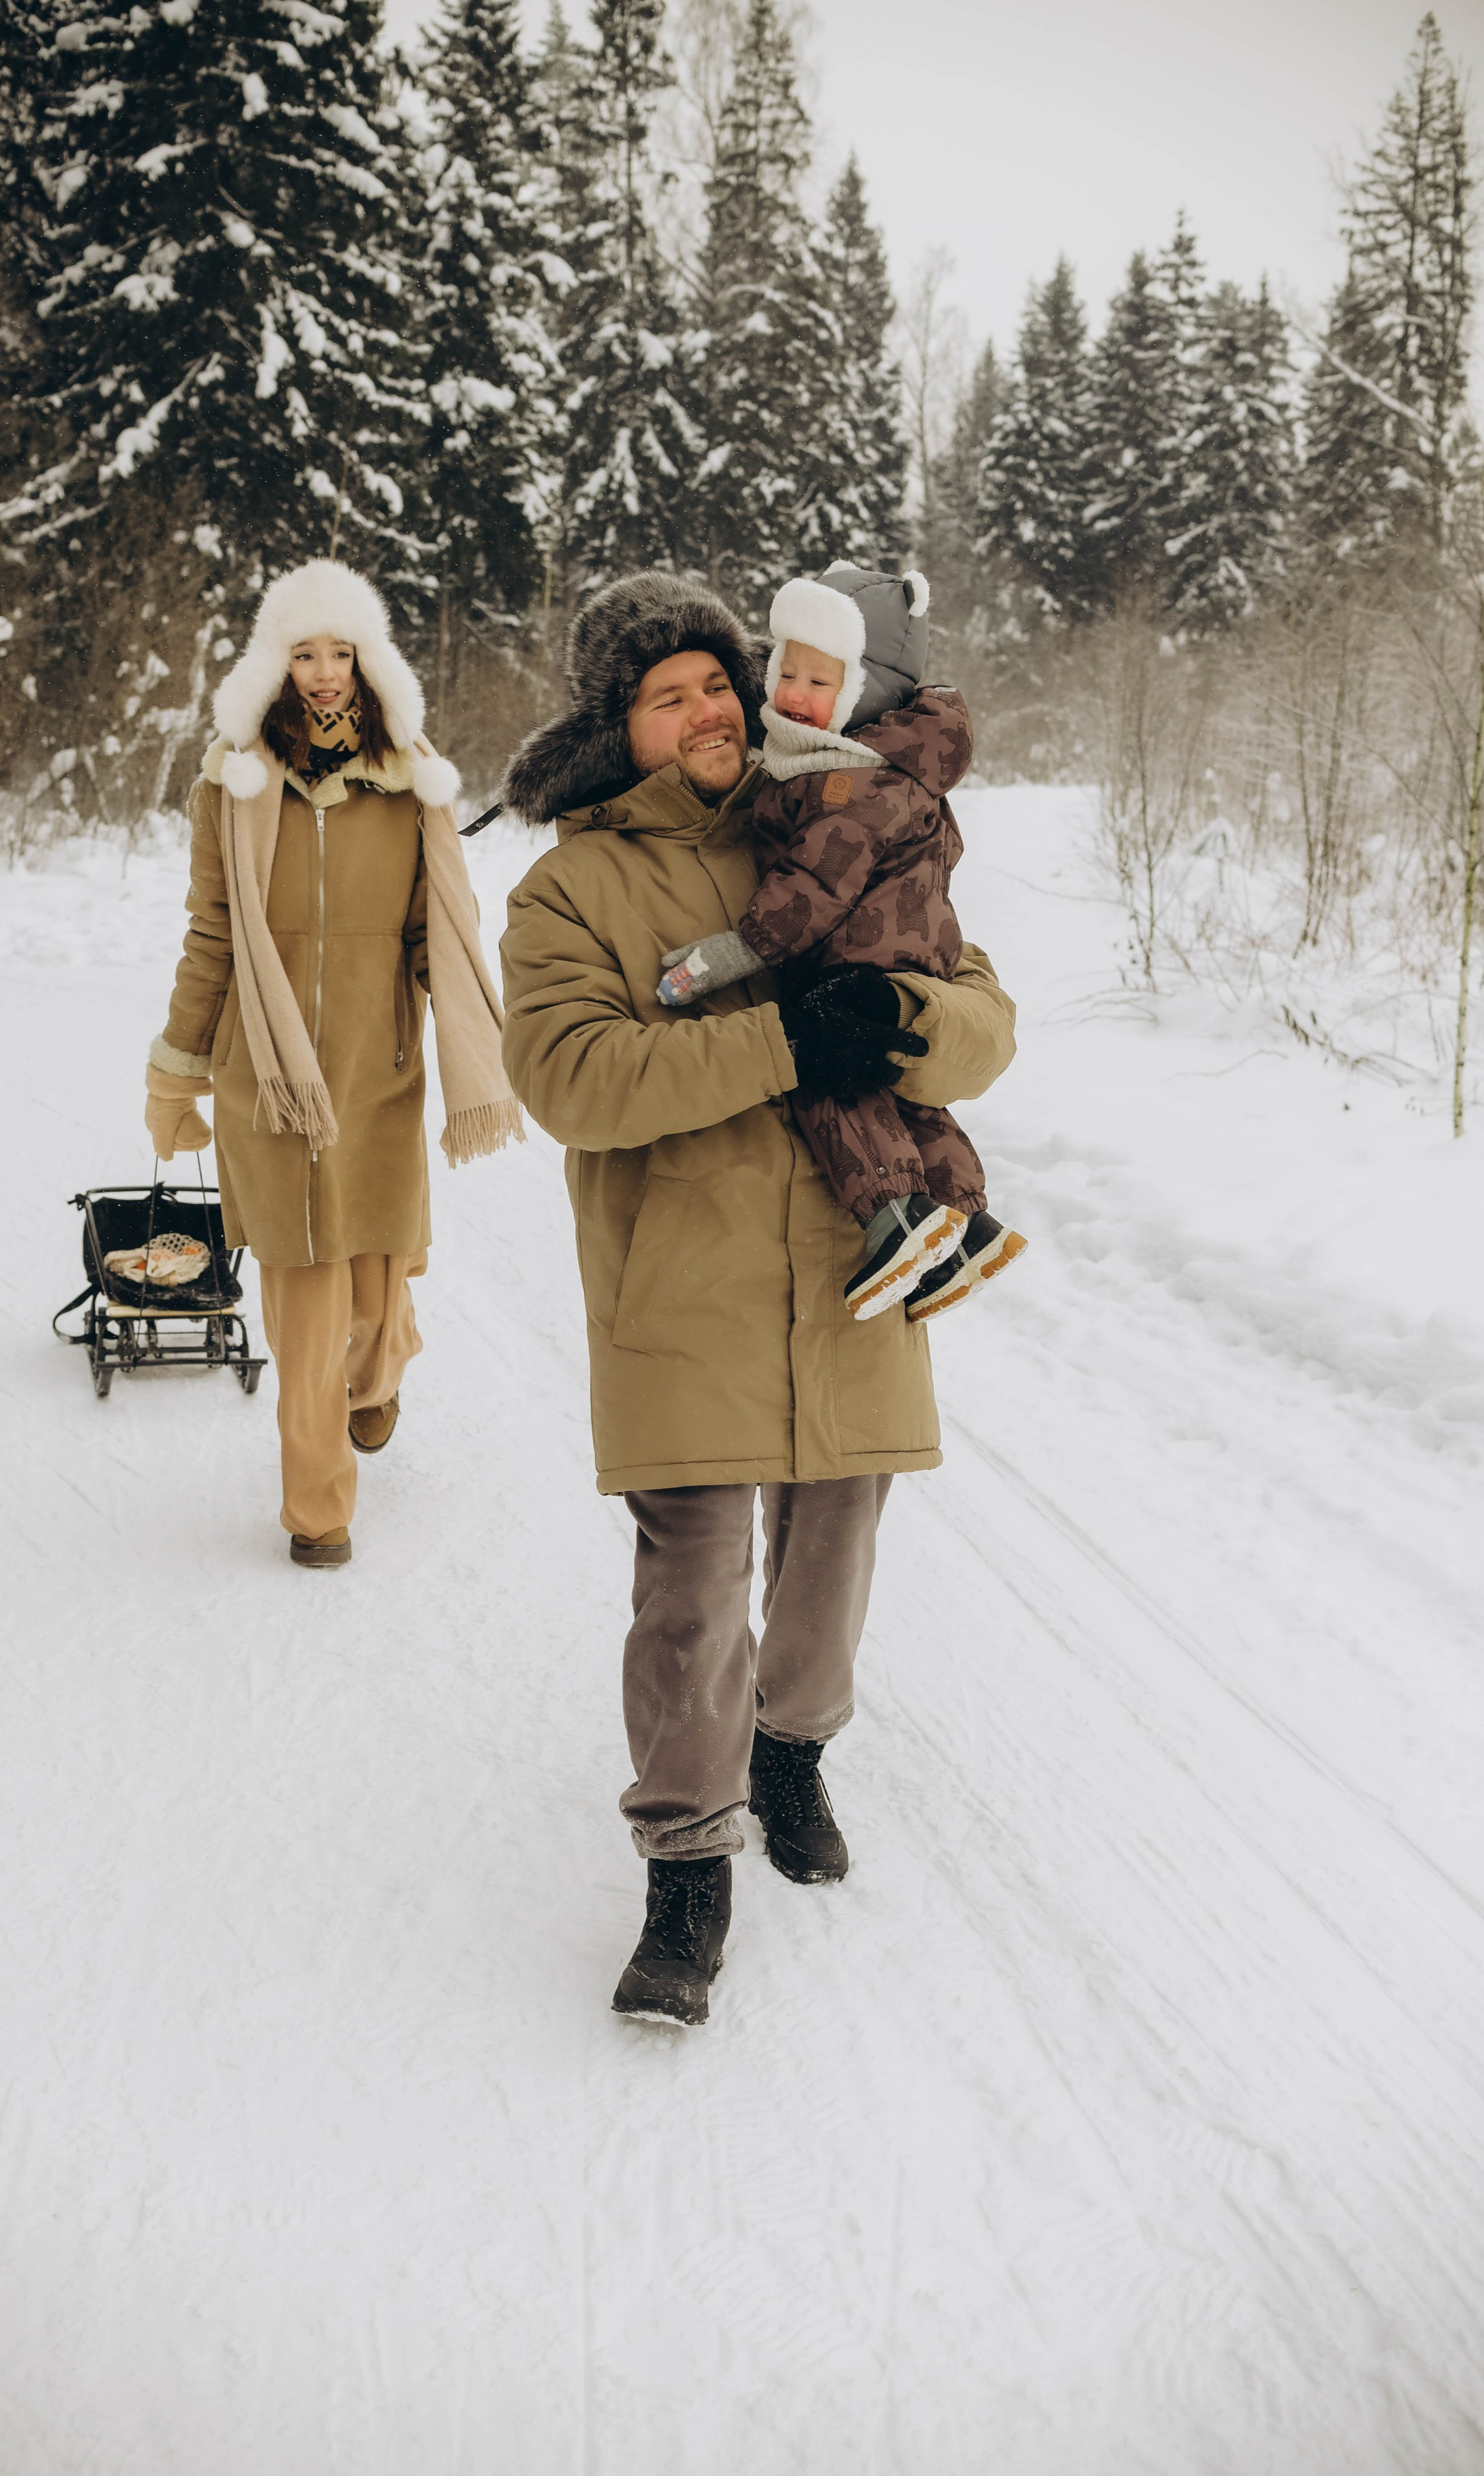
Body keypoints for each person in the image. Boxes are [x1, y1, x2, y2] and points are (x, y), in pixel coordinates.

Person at [497, 572, 1017, 2027]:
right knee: (692, 1577)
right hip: (683, 1277)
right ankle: (683, 1861)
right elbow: (575, 1080)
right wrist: (785, 1038)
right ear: (620, 728)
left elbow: (985, 1024)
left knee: (838, 1529)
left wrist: (903, 1019)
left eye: (717, 681)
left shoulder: (835, 817)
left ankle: (790, 1749)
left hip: (852, 1259)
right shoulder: (572, 889)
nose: (709, 710)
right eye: (668, 697)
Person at [144, 558, 520, 1566]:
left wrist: (476, 1036)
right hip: (264, 1079)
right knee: (304, 1313)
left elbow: (436, 931)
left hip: (377, 1072)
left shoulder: (409, 787)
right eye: (303, 652)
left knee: (374, 1304)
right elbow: (213, 938)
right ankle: (319, 1510)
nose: (322, 673)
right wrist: (176, 1071)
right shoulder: (229, 788)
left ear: (369, 663)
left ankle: (382, 1374)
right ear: (275, 665)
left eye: (340, 652)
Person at [654, 560, 1028, 1324]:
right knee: (910, 1104)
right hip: (909, 947)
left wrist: (715, 961)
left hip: (863, 957)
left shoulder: (845, 784)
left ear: (866, 692)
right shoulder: (865, 765)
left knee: (832, 1079)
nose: (792, 693)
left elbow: (806, 896)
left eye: (820, 683)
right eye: (786, 669)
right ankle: (964, 1222)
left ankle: (897, 1217)